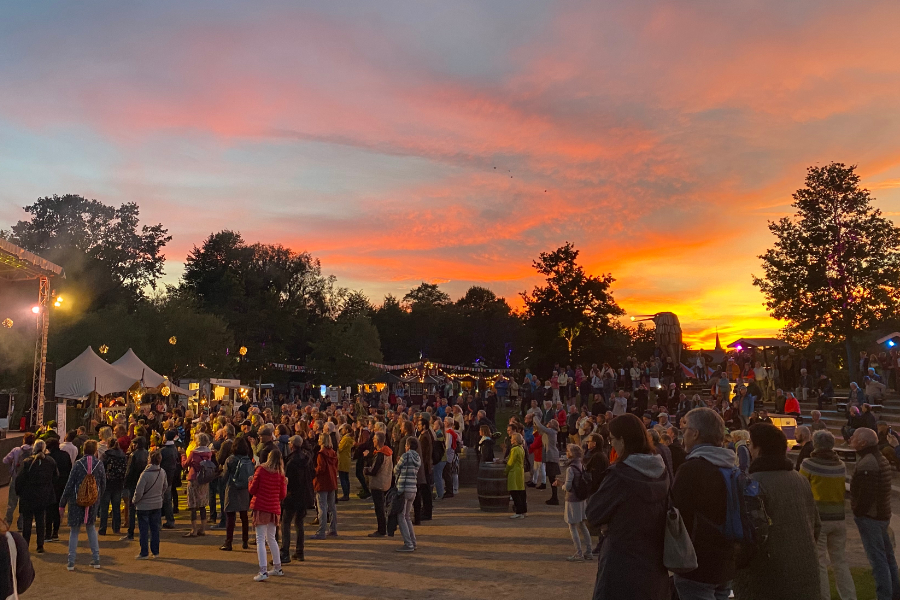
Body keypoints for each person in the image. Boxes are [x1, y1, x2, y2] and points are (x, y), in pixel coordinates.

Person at [733, 423, 820, 599]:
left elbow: (750, 537)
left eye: (751, 444)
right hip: (805, 570)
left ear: (759, 449)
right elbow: (816, 526)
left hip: (767, 577)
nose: (749, 449)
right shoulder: (800, 480)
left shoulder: (752, 484)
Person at [587, 413, 669, 600]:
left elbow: (593, 513)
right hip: (654, 559)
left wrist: (609, 522)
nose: (612, 445)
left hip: (621, 560)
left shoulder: (621, 475)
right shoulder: (660, 470)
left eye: (612, 440)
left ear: (622, 440)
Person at [672, 408, 737, 599]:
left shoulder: (691, 469)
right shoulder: (731, 466)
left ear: (695, 433)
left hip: (697, 562)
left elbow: (676, 515)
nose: (683, 435)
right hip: (726, 559)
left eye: (685, 430)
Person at [800, 430, 857, 600]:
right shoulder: (840, 464)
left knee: (820, 562)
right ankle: (849, 596)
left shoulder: (808, 464)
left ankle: (823, 596)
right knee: (840, 561)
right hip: (839, 518)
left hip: (819, 519)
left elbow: (802, 487)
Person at [849, 427, 900, 600]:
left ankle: (884, 595)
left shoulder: (869, 462)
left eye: (854, 437)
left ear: (863, 442)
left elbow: (866, 494)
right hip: (881, 515)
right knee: (887, 557)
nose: (851, 439)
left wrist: (857, 510)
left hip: (871, 517)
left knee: (878, 560)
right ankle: (893, 593)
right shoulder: (877, 458)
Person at [60, 439, 106, 571]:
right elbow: (103, 484)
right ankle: (96, 559)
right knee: (91, 528)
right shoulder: (99, 464)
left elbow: (69, 484)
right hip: (92, 502)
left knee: (74, 531)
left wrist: (62, 503)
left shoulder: (78, 464)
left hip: (76, 501)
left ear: (83, 450)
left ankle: (71, 562)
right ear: (95, 450)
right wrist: (97, 498)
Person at [248, 448, 287, 581]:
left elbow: (253, 489)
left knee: (260, 539)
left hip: (261, 506)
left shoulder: (261, 470)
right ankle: (277, 567)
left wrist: (250, 481)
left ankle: (263, 570)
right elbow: (282, 494)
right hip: (273, 507)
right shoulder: (280, 474)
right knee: (271, 538)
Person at [16, 439, 57, 554]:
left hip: (28, 496)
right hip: (43, 496)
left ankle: (25, 546)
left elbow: (19, 480)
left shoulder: (27, 462)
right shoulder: (50, 461)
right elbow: (55, 477)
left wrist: (19, 492)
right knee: (40, 521)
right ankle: (40, 545)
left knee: (27, 522)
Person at [281, 435, 314, 563]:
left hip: (292, 495)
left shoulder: (291, 462)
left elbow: (287, 480)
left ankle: (285, 552)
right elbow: (312, 474)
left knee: (286, 523)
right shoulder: (307, 459)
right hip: (305, 495)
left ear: (292, 445)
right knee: (299, 523)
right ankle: (299, 551)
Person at [131, 449, 169, 560]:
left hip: (144, 505)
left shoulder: (145, 474)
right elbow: (165, 486)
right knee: (155, 529)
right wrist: (159, 495)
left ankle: (144, 552)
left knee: (143, 530)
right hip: (157, 504)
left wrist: (134, 501)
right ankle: (155, 551)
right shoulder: (162, 472)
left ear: (149, 460)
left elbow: (139, 491)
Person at [221, 436, 253, 551]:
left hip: (232, 488)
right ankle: (245, 540)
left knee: (230, 516)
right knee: (244, 516)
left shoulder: (230, 459)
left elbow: (224, 476)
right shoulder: (248, 459)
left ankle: (228, 541)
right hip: (244, 489)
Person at [562, 444, 591, 561]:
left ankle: (579, 553)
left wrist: (562, 486)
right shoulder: (581, 465)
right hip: (582, 499)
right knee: (582, 524)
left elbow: (568, 486)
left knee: (572, 525)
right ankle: (588, 551)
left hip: (572, 499)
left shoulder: (570, 468)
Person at [182, 432, 212, 538]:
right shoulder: (209, 453)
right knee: (203, 504)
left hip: (194, 477)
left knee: (193, 505)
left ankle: (194, 530)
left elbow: (185, 464)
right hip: (204, 479)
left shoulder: (194, 453)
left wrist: (183, 456)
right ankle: (202, 528)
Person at [364, 432, 393, 536]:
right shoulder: (388, 452)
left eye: (374, 439)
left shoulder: (380, 454)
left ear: (378, 441)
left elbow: (374, 470)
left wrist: (366, 470)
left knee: (379, 508)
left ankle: (381, 530)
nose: (373, 441)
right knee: (382, 507)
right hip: (385, 481)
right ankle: (383, 528)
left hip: (378, 483)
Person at [394, 436, 420, 552]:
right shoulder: (417, 457)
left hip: (404, 488)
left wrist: (398, 461)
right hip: (413, 488)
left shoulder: (406, 455)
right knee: (407, 517)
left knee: (401, 516)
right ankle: (413, 542)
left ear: (408, 446)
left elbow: (396, 470)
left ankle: (408, 543)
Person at [3, 433, 35, 530]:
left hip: (15, 479)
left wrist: (12, 465)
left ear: (24, 440)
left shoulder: (16, 450)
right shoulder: (34, 452)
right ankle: (21, 524)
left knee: (11, 503)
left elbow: (5, 460)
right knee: (24, 503)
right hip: (27, 481)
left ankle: (7, 523)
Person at [97, 437, 127, 536]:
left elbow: (100, 467)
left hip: (107, 482)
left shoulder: (106, 454)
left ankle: (103, 528)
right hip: (118, 483)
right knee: (116, 506)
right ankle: (116, 527)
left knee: (104, 507)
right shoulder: (123, 455)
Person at [312, 433, 338, 540]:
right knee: (332, 507)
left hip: (322, 482)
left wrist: (313, 471)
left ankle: (321, 531)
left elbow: (321, 469)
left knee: (322, 507)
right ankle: (333, 529)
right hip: (331, 481)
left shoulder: (321, 454)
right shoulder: (333, 453)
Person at [45, 437, 72, 541]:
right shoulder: (65, 455)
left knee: (49, 510)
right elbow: (70, 469)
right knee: (59, 508)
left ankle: (47, 534)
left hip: (51, 486)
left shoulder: (48, 457)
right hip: (63, 485)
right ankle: (55, 532)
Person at [533, 418, 561, 505]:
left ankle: (555, 498)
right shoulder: (548, 433)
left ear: (553, 425)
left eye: (549, 422)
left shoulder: (551, 432)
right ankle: (554, 497)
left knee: (552, 478)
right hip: (550, 457)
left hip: (552, 457)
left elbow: (541, 426)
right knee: (551, 478)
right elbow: (539, 429)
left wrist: (535, 416)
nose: (548, 423)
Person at [506, 432, 526, 519]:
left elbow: (510, 462)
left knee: (514, 492)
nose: (510, 440)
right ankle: (523, 511)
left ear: (515, 440)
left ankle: (518, 511)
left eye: (512, 439)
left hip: (514, 472)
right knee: (521, 492)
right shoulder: (521, 448)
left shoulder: (514, 449)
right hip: (520, 471)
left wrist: (505, 471)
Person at [337, 424, 353, 502]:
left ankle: (345, 494)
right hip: (346, 458)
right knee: (346, 477)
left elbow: (339, 448)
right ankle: (347, 494)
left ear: (346, 430)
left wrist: (338, 443)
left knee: (343, 477)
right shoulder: (348, 438)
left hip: (343, 459)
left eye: (343, 429)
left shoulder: (345, 439)